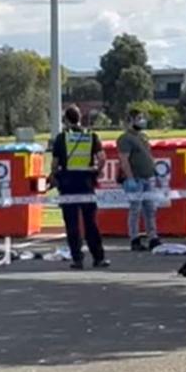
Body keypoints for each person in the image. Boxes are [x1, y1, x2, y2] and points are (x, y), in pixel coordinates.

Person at [50, 105, 110, 270]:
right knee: (91, 223)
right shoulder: (91, 136)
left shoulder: (62, 138)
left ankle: (77, 259)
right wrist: (97, 171)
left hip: (68, 184)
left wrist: (54, 175)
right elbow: (102, 158)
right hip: (86, 183)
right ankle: (99, 258)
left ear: (66, 120)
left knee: (72, 224)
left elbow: (54, 164)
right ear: (79, 118)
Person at [118, 109, 162, 252]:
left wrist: (155, 173)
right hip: (136, 179)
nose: (141, 121)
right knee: (135, 210)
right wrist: (130, 178)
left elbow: (148, 156)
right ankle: (134, 238)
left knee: (150, 209)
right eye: (138, 118)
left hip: (147, 178)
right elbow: (124, 160)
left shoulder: (143, 137)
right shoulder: (125, 139)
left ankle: (153, 237)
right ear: (130, 120)